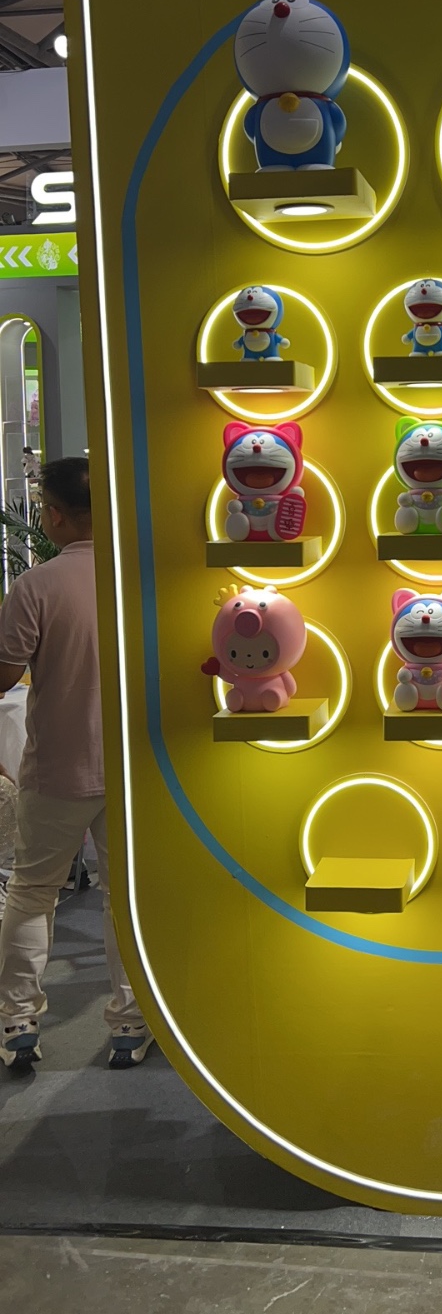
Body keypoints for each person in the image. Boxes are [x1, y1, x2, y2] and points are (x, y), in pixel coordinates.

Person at [0, 458, 152, 1071]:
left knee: (32, 891)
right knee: (126, 896)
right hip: (133, 773)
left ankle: (18, 1022)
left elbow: (4, 675)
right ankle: (130, 1023)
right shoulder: (138, 581)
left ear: (56, 515)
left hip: (56, 771)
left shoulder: (35, 586)